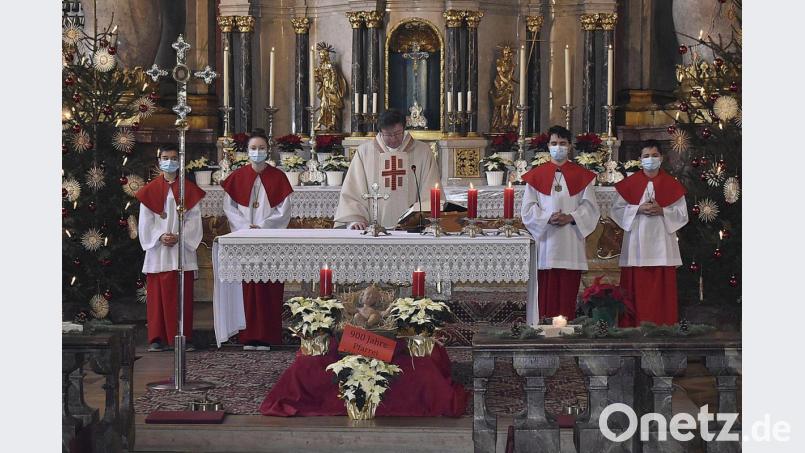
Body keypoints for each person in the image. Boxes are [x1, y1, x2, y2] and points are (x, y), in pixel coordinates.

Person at [221, 129, 294, 350]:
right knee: (248, 288)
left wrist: (262, 227)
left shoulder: (278, 177)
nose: (257, 152)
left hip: (269, 239)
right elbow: (229, 207)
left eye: (261, 148)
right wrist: (244, 228)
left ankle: (267, 336)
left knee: (268, 287)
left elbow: (284, 210)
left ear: (268, 150)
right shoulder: (237, 177)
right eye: (253, 148)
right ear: (247, 151)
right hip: (244, 238)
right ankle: (248, 336)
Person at [520, 125, 600, 324]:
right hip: (546, 243)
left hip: (570, 242)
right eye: (554, 143)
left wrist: (571, 217)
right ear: (548, 146)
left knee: (567, 292)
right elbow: (528, 209)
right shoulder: (536, 175)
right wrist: (547, 217)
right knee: (546, 293)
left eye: (562, 144)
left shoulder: (582, 175)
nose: (558, 147)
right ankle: (545, 331)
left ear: (570, 146)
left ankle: (566, 334)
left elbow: (590, 208)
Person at [610, 139, 688, 326]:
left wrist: (663, 210)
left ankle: (664, 326)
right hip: (637, 245)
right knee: (637, 291)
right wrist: (638, 209)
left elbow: (682, 214)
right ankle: (633, 328)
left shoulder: (671, 184)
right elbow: (616, 210)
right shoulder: (630, 184)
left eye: (654, 155)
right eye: (646, 156)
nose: (650, 159)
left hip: (663, 246)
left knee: (661, 292)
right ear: (640, 159)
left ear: (661, 158)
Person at [136, 145, 206, 352]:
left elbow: (194, 219)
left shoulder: (189, 190)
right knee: (157, 296)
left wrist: (179, 236)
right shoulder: (149, 191)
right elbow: (145, 221)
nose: (170, 162)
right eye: (165, 158)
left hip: (180, 249)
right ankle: (156, 337)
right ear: (159, 161)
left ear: (180, 161)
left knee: (181, 295)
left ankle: (183, 336)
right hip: (157, 251)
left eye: (174, 158)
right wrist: (159, 236)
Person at [334, 109, 441, 229]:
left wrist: (423, 218)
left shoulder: (423, 152)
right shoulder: (365, 152)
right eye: (388, 135)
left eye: (397, 133)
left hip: (413, 228)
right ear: (380, 132)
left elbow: (430, 188)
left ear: (404, 128)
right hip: (373, 230)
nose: (393, 139)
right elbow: (353, 189)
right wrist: (355, 219)